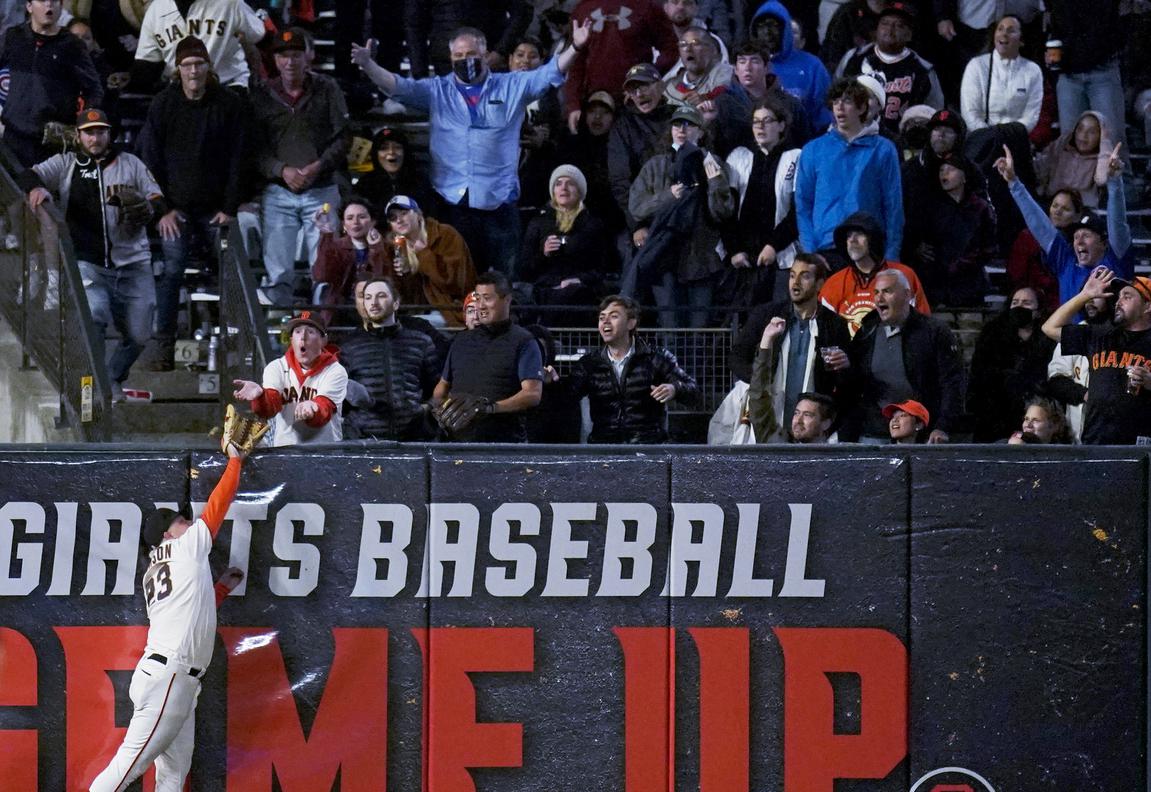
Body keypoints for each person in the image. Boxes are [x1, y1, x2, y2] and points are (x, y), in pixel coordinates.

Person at [351, 21, 591, 276]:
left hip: (499, 202)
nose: (465, 60)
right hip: (452, 202)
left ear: (485, 55)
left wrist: (575, 46)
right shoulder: (437, 91)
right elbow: (398, 86)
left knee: (504, 281)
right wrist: (368, 65)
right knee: (457, 279)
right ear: (450, 57)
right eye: (458, 55)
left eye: (472, 55)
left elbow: (548, 73)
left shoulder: (512, 86)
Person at [87, 441, 249, 792]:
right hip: (171, 676)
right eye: (180, 521)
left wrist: (218, 591)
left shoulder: (156, 570)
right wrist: (235, 461)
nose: (188, 523)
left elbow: (188, 610)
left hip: (170, 676)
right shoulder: (184, 548)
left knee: (173, 775)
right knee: (126, 768)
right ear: (165, 534)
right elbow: (218, 507)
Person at [22, 108, 164, 397]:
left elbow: (157, 197)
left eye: (100, 131)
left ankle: (112, 376)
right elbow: (29, 174)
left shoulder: (130, 163)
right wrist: (38, 188)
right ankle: (96, 388)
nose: (95, 137)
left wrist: (149, 209)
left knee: (139, 335)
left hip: (134, 261)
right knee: (94, 316)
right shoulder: (66, 163)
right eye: (89, 132)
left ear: (109, 134)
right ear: (78, 135)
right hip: (87, 262)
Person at [135, 35, 251, 370]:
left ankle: (238, 347)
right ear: (177, 69)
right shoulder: (163, 104)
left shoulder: (229, 104)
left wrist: (229, 209)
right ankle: (164, 348)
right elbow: (149, 162)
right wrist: (163, 210)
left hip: (218, 210)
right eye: (187, 65)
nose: (193, 70)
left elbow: (238, 160)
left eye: (199, 63)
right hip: (176, 210)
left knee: (231, 274)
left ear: (209, 67)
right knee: (171, 272)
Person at [251, 28, 351, 308]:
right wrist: (281, 170)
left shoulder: (327, 88)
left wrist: (318, 166)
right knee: (277, 267)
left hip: (322, 188)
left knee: (325, 263)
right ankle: (278, 312)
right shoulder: (262, 94)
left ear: (308, 57)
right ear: (275, 59)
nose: (290, 62)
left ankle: (326, 311)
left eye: (296, 55)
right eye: (283, 56)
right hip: (279, 190)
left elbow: (344, 136)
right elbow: (254, 147)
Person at [627, 103, 734, 326]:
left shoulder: (712, 163)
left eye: (689, 124)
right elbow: (637, 206)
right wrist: (668, 196)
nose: (682, 129)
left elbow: (722, 213)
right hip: (664, 257)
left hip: (701, 257)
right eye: (677, 124)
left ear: (701, 131)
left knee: (699, 328)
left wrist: (715, 183)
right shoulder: (655, 165)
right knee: (670, 325)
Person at [996, 142, 1133, 306]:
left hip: (1108, 332)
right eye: (1076, 236)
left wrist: (1114, 181)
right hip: (1069, 331)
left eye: (1086, 235)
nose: (1079, 241)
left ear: (1103, 243)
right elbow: (1040, 225)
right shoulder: (1066, 262)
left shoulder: (1115, 261)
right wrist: (1013, 183)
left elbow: (1118, 223)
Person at [731, 253, 851, 439]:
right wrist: (759, 382)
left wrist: (844, 366)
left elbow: (845, 384)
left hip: (812, 431)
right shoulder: (766, 315)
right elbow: (736, 357)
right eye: (792, 275)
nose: (796, 282)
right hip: (768, 423)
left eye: (805, 276)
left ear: (820, 284)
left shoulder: (835, 325)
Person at [842, 269, 964, 443]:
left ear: (907, 294)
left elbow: (952, 383)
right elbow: (854, 384)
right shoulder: (867, 331)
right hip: (875, 431)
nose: (879, 298)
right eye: (876, 292)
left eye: (887, 291)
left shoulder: (934, 331)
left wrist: (943, 426)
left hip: (923, 434)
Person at [795, 76, 903, 268]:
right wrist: (810, 253)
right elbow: (803, 205)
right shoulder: (813, 150)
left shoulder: (884, 150)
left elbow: (893, 207)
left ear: (862, 108)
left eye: (847, 101)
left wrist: (892, 256)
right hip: (826, 251)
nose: (839, 107)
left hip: (869, 250)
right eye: (835, 102)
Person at [566, 295, 699, 443]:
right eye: (601, 317)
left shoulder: (656, 358)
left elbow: (693, 390)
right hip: (603, 448)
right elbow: (566, 396)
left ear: (631, 323)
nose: (605, 321)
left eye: (614, 316)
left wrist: (674, 388)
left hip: (647, 447)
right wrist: (551, 382)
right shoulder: (589, 364)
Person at [1040, 269, 1151, 445]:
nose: (1118, 302)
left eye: (1127, 297)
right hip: (1095, 440)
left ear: (1147, 306)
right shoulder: (1100, 335)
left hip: (1139, 445)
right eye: (1119, 296)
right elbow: (1049, 328)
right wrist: (1085, 295)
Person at [432, 272, 543, 442]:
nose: (480, 306)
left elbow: (532, 394)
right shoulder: (461, 340)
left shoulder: (524, 341)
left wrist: (490, 408)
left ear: (507, 300)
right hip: (455, 445)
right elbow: (442, 386)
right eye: (477, 298)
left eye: (487, 298)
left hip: (504, 446)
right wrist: (441, 408)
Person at [0, 0, 103, 167]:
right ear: (29, 6)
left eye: (54, 1)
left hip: (50, 142)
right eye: (42, 0)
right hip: (13, 138)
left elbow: (94, 90)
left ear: (61, 7)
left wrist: (82, 125)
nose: (49, 5)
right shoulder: (13, 37)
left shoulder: (72, 45)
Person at [721, 95, 801, 307]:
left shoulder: (796, 157)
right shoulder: (739, 157)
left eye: (767, 121)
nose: (760, 127)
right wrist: (734, 248)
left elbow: (797, 212)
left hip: (781, 256)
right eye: (756, 121)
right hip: (743, 257)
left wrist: (773, 246)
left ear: (781, 125)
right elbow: (726, 209)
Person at [339, 277, 441, 441]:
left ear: (396, 303)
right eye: (368, 297)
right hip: (363, 440)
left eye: (381, 296)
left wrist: (425, 410)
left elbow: (437, 387)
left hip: (412, 439)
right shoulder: (350, 346)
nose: (374, 302)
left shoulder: (420, 342)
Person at [232, 311, 348, 446]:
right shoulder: (277, 367)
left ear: (323, 340)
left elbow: (324, 410)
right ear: (291, 339)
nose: (303, 338)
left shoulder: (335, 371)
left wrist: (313, 408)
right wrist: (260, 396)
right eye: (297, 332)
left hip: (326, 451)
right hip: (285, 450)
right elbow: (269, 409)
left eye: (310, 332)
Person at [564, 0, 679, 134]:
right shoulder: (583, 8)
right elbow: (576, 61)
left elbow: (671, 48)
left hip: (636, 102)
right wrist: (573, 103)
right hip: (594, 103)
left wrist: (646, 80)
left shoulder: (647, 6)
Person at [520, 164, 611, 327]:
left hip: (578, 290)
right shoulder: (538, 222)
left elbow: (600, 269)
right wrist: (544, 253)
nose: (564, 188)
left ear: (580, 191)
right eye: (558, 183)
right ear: (553, 191)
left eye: (570, 183)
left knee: (574, 296)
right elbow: (525, 268)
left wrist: (577, 279)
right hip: (544, 289)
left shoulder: (592, 225)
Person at [836, 1, 944, 137]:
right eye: (885, 23)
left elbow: (934, 113)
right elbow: (835, 96)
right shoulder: (854, 58)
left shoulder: (922, 69)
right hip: (854, 137)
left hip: (901, 144)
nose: (890, 29)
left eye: (899, 25)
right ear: (877, 30)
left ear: (909, 35)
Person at [905, 153, 995, 307]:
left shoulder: (980, 208)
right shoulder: (930, 207)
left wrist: (962, 264)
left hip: (970, 284)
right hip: (935, 284)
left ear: (964, 176)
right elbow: (916, 237)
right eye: (941, 171)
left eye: (950, 170)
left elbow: (989, 246)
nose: (944, 174)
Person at [818, 211, 929, 336]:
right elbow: (824, 335)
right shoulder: (834, 284)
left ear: (874, 239)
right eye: (848, 236)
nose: (852, 240)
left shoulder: (904, 276)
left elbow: (923, 328)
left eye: (859, 234)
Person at [967, 287, 1056, 442]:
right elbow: (978, 375)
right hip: (993, 415)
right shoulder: (991, 334)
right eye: (1015, 302)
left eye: (1026, 303)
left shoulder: (1048, 339)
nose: (1019, 307)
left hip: (1033, 414)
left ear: (1039, 311)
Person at [608, 62, 677, 253]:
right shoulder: (622, 127)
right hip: (642, 217)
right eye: (633, 89)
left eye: (644, 85)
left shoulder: (677, 118)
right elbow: (620, 181)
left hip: (679, 210)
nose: (639, 94)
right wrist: (637, 224)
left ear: (661, 86)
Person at [383, 195, 478, 327]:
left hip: (452, 310)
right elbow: (402, 298)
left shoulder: (445, 234)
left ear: (418, 214)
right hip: (418, 313)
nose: (399, 220)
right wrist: (404, 274)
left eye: (404, 213)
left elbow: (455, 285)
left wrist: (424, 255)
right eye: (393, 218)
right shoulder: (395, 247)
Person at [132, 0, 264, 91]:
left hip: (229, 86)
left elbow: (257, 34)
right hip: (181, 93)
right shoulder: (156, 9)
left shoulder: (230, 3)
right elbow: (147, 63)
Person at [748, 1, 832, 129]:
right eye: (761, 26)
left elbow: (824, 113)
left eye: (774, 25)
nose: (767, 32)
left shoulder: (812, 66)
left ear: (786, 29)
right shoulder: (746, 65)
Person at [959, 14, 1043, 134]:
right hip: (982, 137)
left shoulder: (1033, 70)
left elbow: (1031, 116)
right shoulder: (976, 66)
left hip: (1016, 138)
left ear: (1022, 41)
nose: (1004, 34)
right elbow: (970, 113)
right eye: (1000, 29)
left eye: (1011, 31)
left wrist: (1011, 135)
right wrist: (991, 136)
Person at [311, 198, 389, 325]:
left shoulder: (385, 247)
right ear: (344, 225)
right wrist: (326, 234)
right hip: (341, 313)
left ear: (373, 222)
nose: (355, 222)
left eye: (362, 217)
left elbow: (384, 281)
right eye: (350, 218)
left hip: (376, 309)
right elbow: (321, 274)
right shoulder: (336, 247)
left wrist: (375, 250)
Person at [1045, 291, 1109, 444]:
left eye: (1096, 296)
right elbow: (1056, 380)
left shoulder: (1122, 333)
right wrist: (1086, 395)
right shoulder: (1077, 331)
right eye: (1087, 297)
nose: (1089, 302)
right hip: (1078, 433)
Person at [1005, 188, 1082, 314]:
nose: (1058, 211)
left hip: (1065, 303)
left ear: (1077, 216)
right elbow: (1016, 274)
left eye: (1066, 209)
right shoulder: (1027, 237)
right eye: (1055, 206)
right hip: (1031, 302)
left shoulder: (1080, 243)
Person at [731, 39, 813, 148]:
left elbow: (804, 144)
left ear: (767, 67)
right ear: (735, 69)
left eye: (755, 61)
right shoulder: (725, 104)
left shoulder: (790, 104)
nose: (748, 68)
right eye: (742, 62)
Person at [1035, 110, 1115, 208]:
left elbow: (1102, 179)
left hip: (1081, 209)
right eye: (1080, 129)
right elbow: (1040, 171)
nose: (1083, 136)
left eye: (1092, 132)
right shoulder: (1062, 147)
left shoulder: (1100, 159)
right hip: (1051, 203)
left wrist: (1105, 141)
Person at [352, 125, 435, 216]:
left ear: (405, 152)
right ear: (375, 154)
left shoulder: (420, 182)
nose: (391, 152)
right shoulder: (364, 186)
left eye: (397, 147)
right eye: (384, 148)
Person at [1007, 396, 1073, 444]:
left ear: (1054, 426)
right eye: (1026, 419)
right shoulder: (1005, 443)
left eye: (1036, 420)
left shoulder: (1065, 454)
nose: (1028, 425)